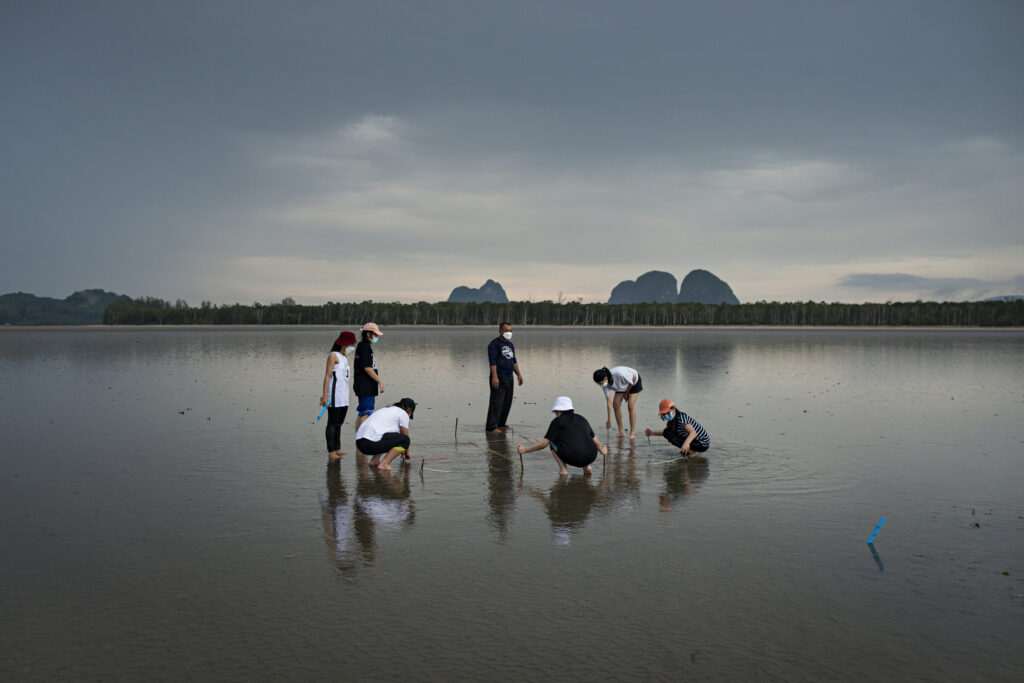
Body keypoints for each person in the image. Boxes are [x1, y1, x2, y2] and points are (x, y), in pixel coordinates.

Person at [518, 396, 608, 475]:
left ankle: (563, 470)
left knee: (551, 442)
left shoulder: (556, 422)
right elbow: (596, 442)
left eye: (556, 412)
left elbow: (543, 444)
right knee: (582, 440)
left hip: (573, 458)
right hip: (591, 456)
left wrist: (525, 450)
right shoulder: (582, 418)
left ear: (559, 410)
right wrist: (603, 452)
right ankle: (587, 467)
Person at [320, 331, 357, 461]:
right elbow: (327, 376)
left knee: (339, 423)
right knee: (332, 423)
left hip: (344, 396)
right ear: (345, 344)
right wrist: (324, 396)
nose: (353, 345)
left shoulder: (344, 357)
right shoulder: (333, 356)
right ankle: (331, 450)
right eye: (352, 343)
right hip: (334, 395)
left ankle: (337, 448)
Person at [355, 397, 416, 471]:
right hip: (370, 443)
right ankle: (384, 464)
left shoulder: (386, 410)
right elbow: (405, 436)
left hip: (360, 443)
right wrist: (407, 452)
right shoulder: (403, 413)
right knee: (405, 440)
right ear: (409, 410)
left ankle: (374, 460)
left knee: (385, 435)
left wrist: (402, 451)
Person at [485, 321, 523, 433]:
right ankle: (491, 426)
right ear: (500, 331)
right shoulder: (494, 344)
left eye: (511, 331)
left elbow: (514, 361)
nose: (509, 333)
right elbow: (492, 362)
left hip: (509, 377)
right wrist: (494, 377)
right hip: (499, 377)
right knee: (496, 402)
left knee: (507, 402)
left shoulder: (510, 345)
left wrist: (519, 375)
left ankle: (501, 424)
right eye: (507, 330)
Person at [645, 398, 711, 461]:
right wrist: (652, 433)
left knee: (671, 435)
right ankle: (688, 450)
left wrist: (686, 443)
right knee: (668, 432)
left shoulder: (681, 419)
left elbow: (693, 432)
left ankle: (692, 453)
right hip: (695, 440)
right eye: (664, 414)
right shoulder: (672, 421)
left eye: (667, 413)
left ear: (674, 409)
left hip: (702, 442)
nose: (666, 415)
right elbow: (666, 432)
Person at [593, 366, 643, 439]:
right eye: (599, 384)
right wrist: (609, 419)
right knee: (615, 404)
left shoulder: (619, 374)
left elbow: (633, 378)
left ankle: (632, 432)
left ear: (605, 378)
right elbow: (609, 402)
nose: (601, 385)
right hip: (621, 385)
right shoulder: (605, 385)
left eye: (601, 383)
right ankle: (621, 431)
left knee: (630, 405)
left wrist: (627, 392)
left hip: (634, 382)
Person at [353, 322, 385, 431]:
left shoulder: (362, 346)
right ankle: (363, 441)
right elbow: (367, 368)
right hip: (365, 385)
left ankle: (359, 442)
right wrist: (380, 381)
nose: (376, 337)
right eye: (375, 335)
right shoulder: (365, 347)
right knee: (366, 412)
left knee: (362, 412)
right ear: (368, 334)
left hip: (363, 385)